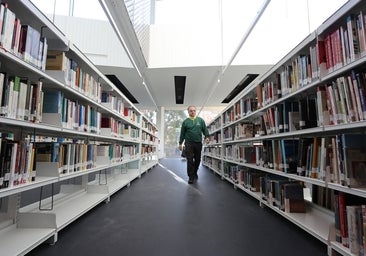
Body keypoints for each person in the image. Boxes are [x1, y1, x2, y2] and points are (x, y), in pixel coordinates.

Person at [178, 106, 210, 184]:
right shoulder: (185, 122)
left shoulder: (200, 120)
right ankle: (191, 176)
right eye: (191, 111)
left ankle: (195, 172)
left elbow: (205, 130)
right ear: (188, 112)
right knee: (189, 159)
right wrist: (180, 143)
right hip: (188, 143)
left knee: (198, 159)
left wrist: (207, 137)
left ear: (196, 111)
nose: (193, 112)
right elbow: (182, 133)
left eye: (194, 111)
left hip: (198, 142)